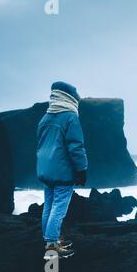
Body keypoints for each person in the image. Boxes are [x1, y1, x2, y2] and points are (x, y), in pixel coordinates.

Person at [36, 81, 88, 259]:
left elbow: (41, 144)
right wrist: (82, 170)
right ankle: (51, 247)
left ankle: (49, 241)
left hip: (46, 169)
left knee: (48, 207)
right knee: (59, 208)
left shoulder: (45, 118)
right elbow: (76, 147)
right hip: (62, 171)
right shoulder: (70, 117)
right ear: (69, 97)